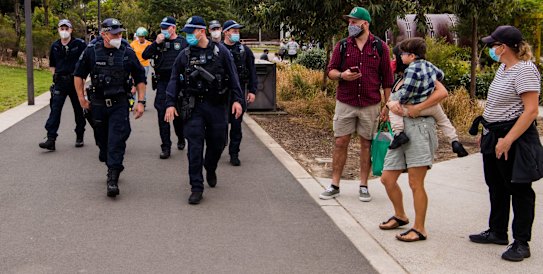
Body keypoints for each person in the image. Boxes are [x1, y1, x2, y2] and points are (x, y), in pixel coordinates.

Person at [468, 25, 542, 262]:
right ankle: (498, 231)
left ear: (505, 47)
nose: (491, 48)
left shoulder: (526, 70)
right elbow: (496, 104)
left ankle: (521, 242)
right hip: (493, 134)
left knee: (519, 190)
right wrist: (487, 130)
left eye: (494, 44)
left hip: (514, 137)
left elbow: (530, 111)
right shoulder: (503, 68)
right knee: (496, 186)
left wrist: (508, 140)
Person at [164, 16, 243, 204]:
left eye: (191, 32)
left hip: (217, 106)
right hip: (194, 107)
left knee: (217, 143)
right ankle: (196, 187)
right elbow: (174, 79)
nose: (188, 36)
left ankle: (211, 166)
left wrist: (238, 100)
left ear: (201, 31)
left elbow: (233, 77)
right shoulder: (184, 55)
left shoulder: (221, 52)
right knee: (195, 147)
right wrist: (169, 103)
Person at [319, 6, 393, 202]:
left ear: (365, 24)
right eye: (349, 22)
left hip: (370, 103)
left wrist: (387, 106)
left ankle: (363, 185)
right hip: (346, 102)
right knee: (340, 141)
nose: (350, 25)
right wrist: (342, 75)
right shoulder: (343, 46)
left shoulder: (380, 47)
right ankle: (334, 184)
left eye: (354, 22)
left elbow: (387, 79)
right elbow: (331, 71)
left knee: (366, 144)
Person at [378, 45, 449, 241]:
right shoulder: (402, 76)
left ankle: (420, 228)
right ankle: (400, 215)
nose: (396, 58)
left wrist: (417, 108)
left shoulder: (422, 70)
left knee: (415, 182)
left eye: (398, 54)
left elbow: (442, 93)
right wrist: (387, 107)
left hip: (419, 127)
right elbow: (395, 98)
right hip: (401, 130)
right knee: (387, 178)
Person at [74, 18, 146, 197]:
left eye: (120, 33)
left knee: (117, 139)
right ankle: (107, 155)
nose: (118, 37)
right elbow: (79, 74)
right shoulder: (91, 50)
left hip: (119, 103)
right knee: (102, 140)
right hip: (97, 103)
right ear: (104, 34)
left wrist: (141, 102)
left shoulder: (127, 51)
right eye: (115, 34)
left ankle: (112, 177)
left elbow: (140, 77)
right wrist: (81, 98)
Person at [387, 38, 468, 157]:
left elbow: (408, 90)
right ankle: (454, 141)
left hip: (412, 106)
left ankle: (399, 134)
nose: (399, 58)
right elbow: (441, 75)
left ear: (412, 56)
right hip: (431, 106)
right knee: (443, 120)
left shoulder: (410, 70)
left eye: (401, 55)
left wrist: (399, 102)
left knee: (394, 112)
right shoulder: (429, 65)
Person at [142, 16, 188, 159]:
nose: (164, 30)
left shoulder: (183, 42)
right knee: (163, 114)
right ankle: (166, 146)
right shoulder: (158, 43)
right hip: (163, 83)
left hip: (179, 83)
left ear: (173, 28)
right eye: (162, 27)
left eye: (167, 27)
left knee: (178, 116)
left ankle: (181, 137)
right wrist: (156, 43)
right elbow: (145, 55)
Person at [39, 19, 87, 151]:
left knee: (78, 110)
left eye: (66, 28)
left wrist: (82, 83)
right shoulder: (55, 46)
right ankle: (51, 139)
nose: (64, 31)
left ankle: (79, 134)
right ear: (58, 30)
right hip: (60, 82)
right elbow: (52, 65)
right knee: (55, 110)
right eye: (62, 28)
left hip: (75, 81)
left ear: (71, 30)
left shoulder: (79, 44)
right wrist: (55, 78)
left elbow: (85, 63)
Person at [222, 19, 258, 166]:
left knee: (236, 125)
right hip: (221, 94)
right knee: (220, 125)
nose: (237, 33)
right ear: (226, 32)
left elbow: (252, 72)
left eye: (238, 31)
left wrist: (252, 90)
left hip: (238, 92)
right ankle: (218, 147)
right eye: (234, 31)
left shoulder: (244, 51)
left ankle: (234, 153)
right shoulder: (217, 49)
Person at [130, 27, 152, 103]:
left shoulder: (149, 44)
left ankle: (143, 99)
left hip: (145, 66)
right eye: (139, 37)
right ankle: (132, 99)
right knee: (133, 82)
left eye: (142, 36)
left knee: (141, 82)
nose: (141, 38)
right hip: (135, 65)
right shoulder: (133, 44)